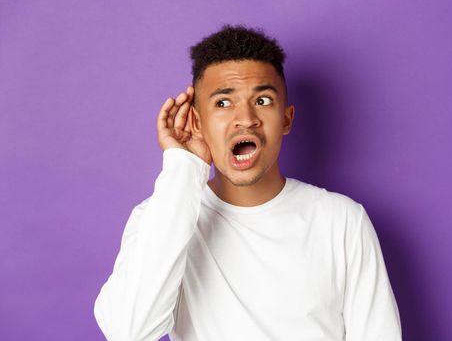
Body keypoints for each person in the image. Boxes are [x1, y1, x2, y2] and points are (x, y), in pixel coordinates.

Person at [93, 24, 402, 341]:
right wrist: (183, 168)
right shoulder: (158, 216)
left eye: (263, 100)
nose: (245, 118)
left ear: (286, 119)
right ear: (198, 122)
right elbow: (127, 331)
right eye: (223, 103)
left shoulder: (342, 221)